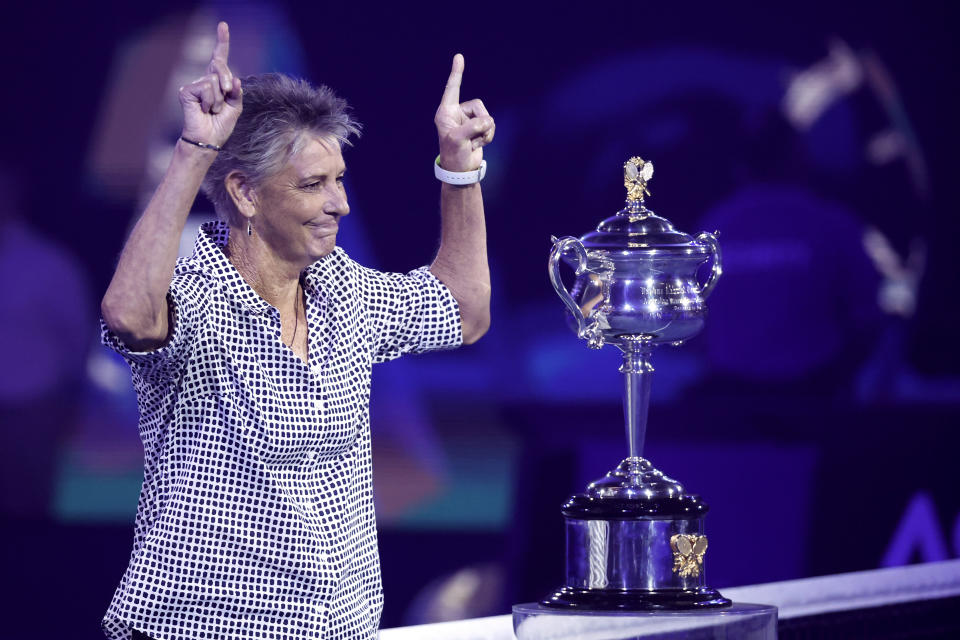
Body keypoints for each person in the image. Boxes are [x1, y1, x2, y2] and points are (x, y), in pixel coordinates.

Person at [99, 22, 493, 640]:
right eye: (313, 185)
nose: (340, 203)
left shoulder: (347, 292)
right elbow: (128, 314)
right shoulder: (197, 295)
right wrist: (194, 150)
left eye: (337, 179)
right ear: (246, 194)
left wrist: (459, 170)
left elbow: (464, 312)